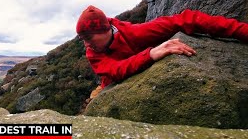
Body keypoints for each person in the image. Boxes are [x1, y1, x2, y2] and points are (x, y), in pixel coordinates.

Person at [76, 5, 248, 95]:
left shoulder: (135, 33)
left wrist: (242, 31)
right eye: (83, 39)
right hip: (110, 88)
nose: (86, 45)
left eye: (88, 38)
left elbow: (187, 19)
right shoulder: (92, 52)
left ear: (106, 30)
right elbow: (115, 71)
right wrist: (150, 54)